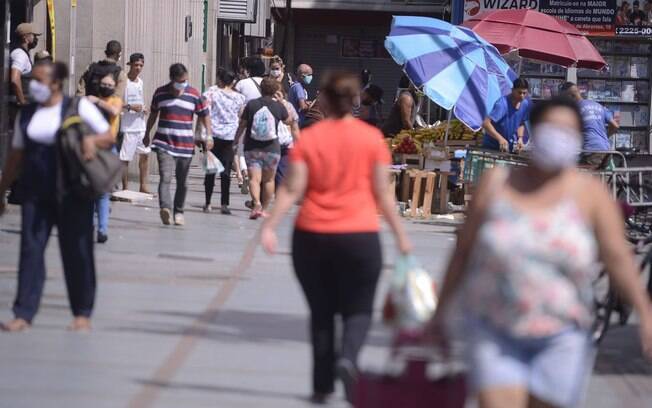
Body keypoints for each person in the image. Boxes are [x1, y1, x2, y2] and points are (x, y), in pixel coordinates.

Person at [429, 97, 652, 408]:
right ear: (534, 129)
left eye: (567, 131)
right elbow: (463, 251)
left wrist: (645, 313)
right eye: (552, 128)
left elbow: (618, 257)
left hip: (562, 335)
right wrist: (439, 315)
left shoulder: (590, 195)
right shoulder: (496, 184)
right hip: (495, 330)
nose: (558, 136)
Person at [260, 71, 412, 404]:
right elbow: (383, 194)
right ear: (355, 101)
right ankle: (349, 359)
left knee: (322, 311)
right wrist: (402, 237)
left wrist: (270, 225)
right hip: (359, 237)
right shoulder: (371, 139)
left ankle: (322, 385)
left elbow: (293, 188)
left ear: (324, 100)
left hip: (312, 237)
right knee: (359, 309)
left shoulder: (311, 139)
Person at [0, 60, 113, 332]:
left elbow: (107, 136)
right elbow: (17, 154)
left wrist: (90, 140)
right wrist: (2, 188)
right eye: (32, 80)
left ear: (55, 83)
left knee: (77, 250)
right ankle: (23, 313)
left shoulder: (77, 107)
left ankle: (82, 312)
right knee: (31, 250)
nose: (33, 85)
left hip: (72, 190)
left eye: (39, 80)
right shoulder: (27, 114)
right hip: (35, 190)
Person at [144, 63, 211, 226]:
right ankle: (165, 208)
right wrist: (146, 133)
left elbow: (204, 115)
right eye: (180, 81)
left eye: (185, 81)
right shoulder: (160, 93)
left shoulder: (194, 94)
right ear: (172, 79)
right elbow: (153, 115)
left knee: (183, 182)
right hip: (163, 143)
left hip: (185, 145)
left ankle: (179, 211)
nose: (183, 84)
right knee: (165, 177)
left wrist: (208, 136)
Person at [234, 78, 290, 220]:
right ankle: (264, 209)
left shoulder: (252, 104)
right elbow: (288, 120)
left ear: (261, 89)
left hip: (252, 147)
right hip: (272, 148)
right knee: (269, 180)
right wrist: (282, 102)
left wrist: (235, 140)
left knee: (254, 179)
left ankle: (257, 203)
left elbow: (242, 124)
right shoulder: (278, 106)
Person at [201, 68, 246, 214]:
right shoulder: (240, 98)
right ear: (233, 82)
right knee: (226, 172)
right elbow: (241, 116)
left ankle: (208, 203)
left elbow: (204, 111)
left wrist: (201, 133)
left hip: (212, 136)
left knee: (210, 171)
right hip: (230, 138)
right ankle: (224, 204)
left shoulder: (212, 93)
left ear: (220, 79)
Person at [87, 73, 123, 243]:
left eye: (110, 85)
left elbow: (114, 111)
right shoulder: (88, 101)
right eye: (104, 84)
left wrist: (97, 101)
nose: (107, 87)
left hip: (109, 149)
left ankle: (102, 229)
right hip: (91, 148)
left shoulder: (115, 100)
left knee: (103, 193)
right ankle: (90, 226)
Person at [561, 82, 619, 169]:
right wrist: (606, 137)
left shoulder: (574, 109)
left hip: (592, 150)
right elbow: (615, 125)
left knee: (573, 173)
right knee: (600, 178)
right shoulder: (598, 105)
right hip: (607, 150)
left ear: (570, 96)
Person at [119, 53, 151, 193]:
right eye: (136, 65)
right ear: (130, 64)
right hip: (127, 126)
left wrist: (143, 108)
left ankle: (143, 186)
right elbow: (116, 101)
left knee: (145, 154)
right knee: (125, 158)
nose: (138, 68)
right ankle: (125, 187)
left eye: (141, 65)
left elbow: (140, 99)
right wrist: (130, 107)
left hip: (140, 124)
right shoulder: (123, 81)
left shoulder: (141, 82)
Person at [482, 78, 531, 153]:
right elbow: (486, 124)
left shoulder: (525, 104)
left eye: (524, 93)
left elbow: (521, 122)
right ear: (512, 90)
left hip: (507, 147)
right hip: (491, 147)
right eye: (519, 93)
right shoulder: (502, 104)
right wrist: (500, 139)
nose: (522, 96)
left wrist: (520, 138)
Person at [274, 90, 301, 190]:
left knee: (276, 171)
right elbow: (294, 127)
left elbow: (294, 127)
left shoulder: (267, 105)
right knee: (281, 171)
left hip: (274, 143)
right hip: (284, 142)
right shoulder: (288, 106)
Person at [289, 63, 314, 128]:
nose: (311, 77)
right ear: (302, 76)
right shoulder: (298, 87)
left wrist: (306, 103)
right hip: (299, 123)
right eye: (309, 75)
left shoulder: (294, 86)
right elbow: (302, 107)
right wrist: (312, 106)